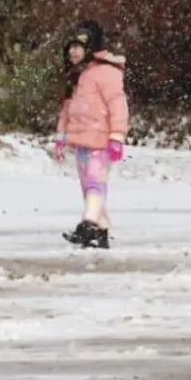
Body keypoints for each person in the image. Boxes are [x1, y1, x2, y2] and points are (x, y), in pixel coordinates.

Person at [51, 21, 129, 250]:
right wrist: (60, 135)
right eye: (70, 47)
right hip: (81, 141)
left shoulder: (105, 72)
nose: (73, 52)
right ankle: (100, 229)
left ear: (91, 47)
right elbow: (68, 107)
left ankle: (88, 224)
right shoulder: (78, 75)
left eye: (78, 47)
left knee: (95, 183)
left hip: (100, 140)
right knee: (88, 186)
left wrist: (117, 135)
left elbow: (118, 104)